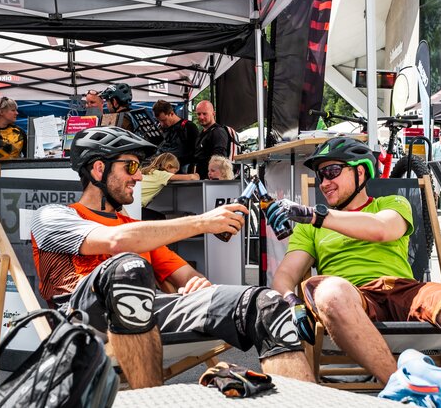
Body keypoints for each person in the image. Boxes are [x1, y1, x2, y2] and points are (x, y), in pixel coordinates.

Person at [30, 126, 313, 389]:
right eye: (131, 167)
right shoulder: (53, 216)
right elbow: (116, 242)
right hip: (82, 322)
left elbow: (188, 277)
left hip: (148, 314)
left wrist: (196, 284)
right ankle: (149, 400)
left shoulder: (137, 230)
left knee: (267, 304)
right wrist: (202, 222)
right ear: (98, 169)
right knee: (129, 267)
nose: (139, 177)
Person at [269, 137, 441, 407]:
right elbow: (285, 276)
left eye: (332, 171)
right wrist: (291, 300)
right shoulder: (309, 227)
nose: (324, 182)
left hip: (403, 290)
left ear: (360, 172)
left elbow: (383, 229)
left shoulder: (391, 203)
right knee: (329, 292)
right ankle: (408, 387)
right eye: (320, 176)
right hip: (352, 297)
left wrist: (317, 215)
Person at [140, 153, 200, 218]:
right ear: (168, 167)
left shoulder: (150, 171)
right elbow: (192, 177)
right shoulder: (163, 175)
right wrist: (196, 175)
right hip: (136, 207)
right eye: (174, 171)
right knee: (160, 217)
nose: (174, 174)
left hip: (133, 205)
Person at [152, 100, 199, 171]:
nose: (161, 124)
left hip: (182, 170)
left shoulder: (189, 127)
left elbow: (196, 152)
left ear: (172, 113)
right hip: (162, 170)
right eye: (159, 121)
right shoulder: (160, 128)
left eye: (164, 120)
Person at [193, 100, 230, 179]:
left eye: (204, 113)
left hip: (211, 181)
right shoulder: (202, 134)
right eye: (198, 114)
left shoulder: (218, 132)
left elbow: (219, 159)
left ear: (213, 113)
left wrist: (212, 177)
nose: (201, 117)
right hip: (201, 180)